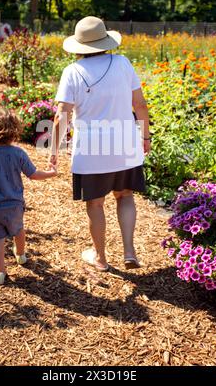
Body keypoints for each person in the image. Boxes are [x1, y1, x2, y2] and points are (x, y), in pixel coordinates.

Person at [49, 16, 151, 271]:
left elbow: (62, 114)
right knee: (125, 195)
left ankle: (101, 258)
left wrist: (53, 151)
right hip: (125, 145)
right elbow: (140, 105)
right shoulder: (122, 63)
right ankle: (129, 251)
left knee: (95, 203)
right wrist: (145, 136)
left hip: (91, 151)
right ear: (106, 41)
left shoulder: (72, 71)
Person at [0, 109, 57, 285]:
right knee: (18, 230)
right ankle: (20, 255)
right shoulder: (18, 153)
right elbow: (33, 174)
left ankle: (0, 272)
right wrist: (51, 173)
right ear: (15, 131)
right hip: (14, 205)